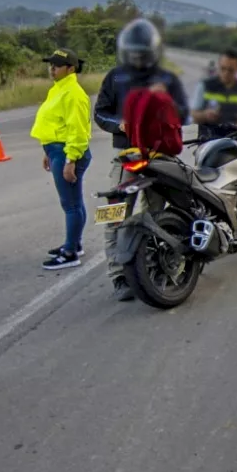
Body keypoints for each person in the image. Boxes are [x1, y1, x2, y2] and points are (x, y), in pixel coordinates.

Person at [93, 18, 190, 301]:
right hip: (126, 157)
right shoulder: (114, 77)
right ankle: (119, 275)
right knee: (112, 216)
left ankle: (157, 267)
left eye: (142, 52)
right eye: (133, 51)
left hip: (160, 158)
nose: (138, 57)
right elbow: (100, 113)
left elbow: (182, 114)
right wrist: (120, 124)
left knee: (160, 213)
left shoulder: (167, 80)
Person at [31, 48, 93, 270]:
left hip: (68, 152)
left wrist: (71, 160)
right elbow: (55, 125)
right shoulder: (59, 89)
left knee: (71, 204)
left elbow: (77, 130)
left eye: (56, 66)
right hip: (57, 150)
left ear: (71, 68)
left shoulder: (73, 94)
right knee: (73, 202)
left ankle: (70, 253)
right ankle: (74, 244)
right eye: (51, 65)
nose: (52, 69)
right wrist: (48, 152)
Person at [191, 48, 237, 141]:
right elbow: (194, 114)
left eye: (231, 70)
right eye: (223, 68)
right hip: (210, 142)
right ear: (218, 66)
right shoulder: (205, 86)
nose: (226, 73)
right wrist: (205, 115)